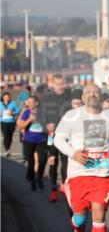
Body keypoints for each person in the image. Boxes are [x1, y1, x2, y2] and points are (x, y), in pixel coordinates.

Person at [53, 83, 109, 232]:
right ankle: (77, 231)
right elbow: (57, 139)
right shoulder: (71, 116)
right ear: (83, 97)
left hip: (103, 173)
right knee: (79, 216)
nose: (92, 95)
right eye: (88, 92)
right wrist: (73, 153)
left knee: (99, 211)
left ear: (101, 96)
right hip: (79, 173)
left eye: (95, 92)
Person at [38, 74, 73, 203]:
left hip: (66, 134)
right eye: (57, 84)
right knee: (52, 161)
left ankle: (64, 185)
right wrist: (46, 125)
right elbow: (40, 115)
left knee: (66, 161)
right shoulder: (46, 98)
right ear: (52, 85)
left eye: (61, 84)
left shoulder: (69, 97)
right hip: (51, 134)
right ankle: (53, 189)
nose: (59, 87)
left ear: (65, 83)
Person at [16, 95, 48, 190]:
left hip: (42, 140)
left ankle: (39, 177)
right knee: (31, 162)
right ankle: (33, 181)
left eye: (31, 102)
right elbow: (20, 127)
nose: (28, 104)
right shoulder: (26, 112)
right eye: (28, 102)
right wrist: (29, 120)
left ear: (36, 103)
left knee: (42, 160)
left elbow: (50, 126)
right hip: (28, 140)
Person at [1, 91, 19, 156]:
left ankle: (8, 148)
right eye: (5, 97)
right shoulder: (0, 104)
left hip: (12, 122)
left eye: (8, 97)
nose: (7, 98)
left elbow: (17, 111)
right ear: (3, 98)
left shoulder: (13, 103)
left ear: (10, 97)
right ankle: (7, 149)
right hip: (3, 122)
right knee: (5, 136)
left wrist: (13, 112)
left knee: (10, 136)